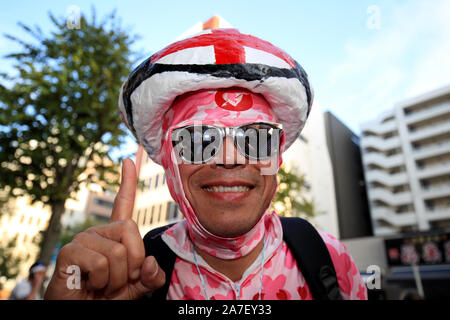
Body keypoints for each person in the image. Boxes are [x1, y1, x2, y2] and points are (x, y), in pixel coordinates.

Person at [44, 28, 367, 300]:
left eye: (257, 138)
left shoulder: (328, 257)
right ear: (168, 161)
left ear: (277, 158)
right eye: (198, 140)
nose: (229, 158)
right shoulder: (134, 274)